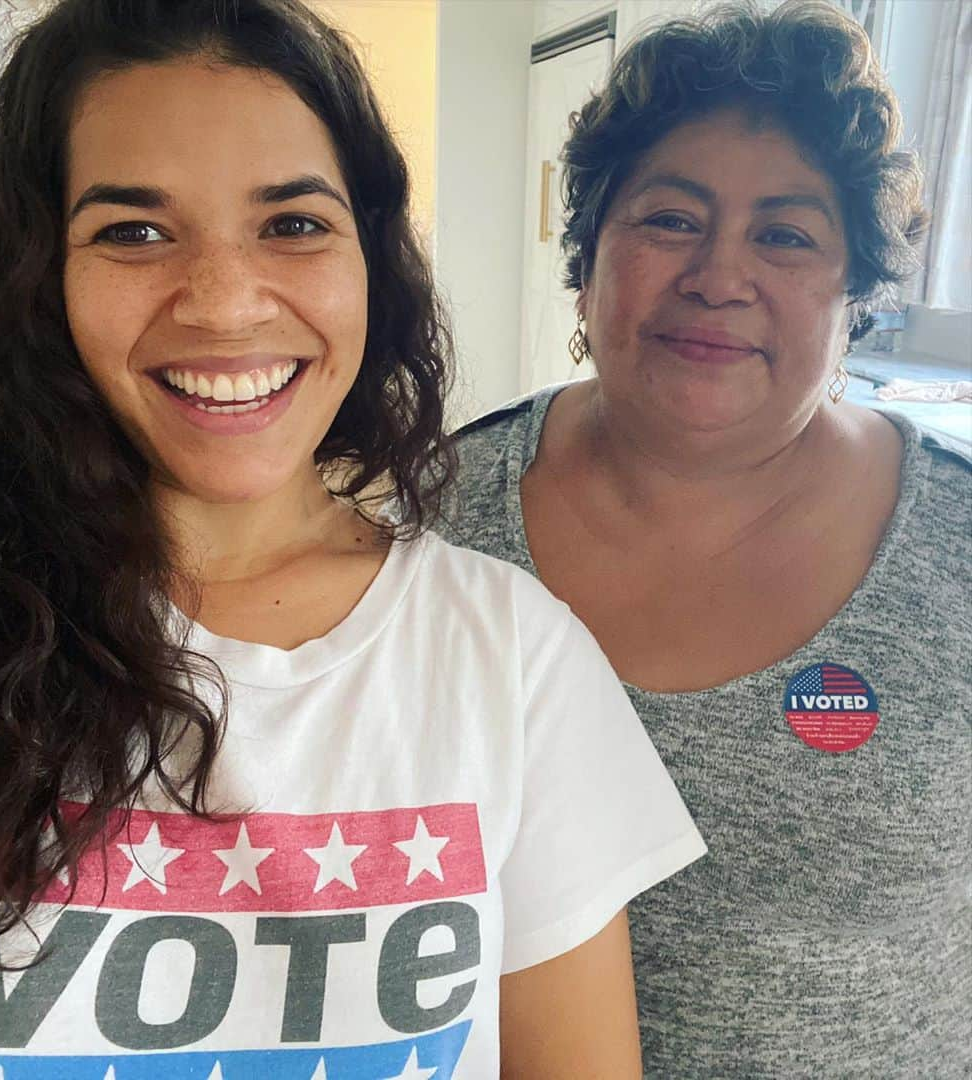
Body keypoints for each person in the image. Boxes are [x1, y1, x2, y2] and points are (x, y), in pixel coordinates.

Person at [0, 1, 707, 1077]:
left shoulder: (514, 658)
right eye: (133, 231)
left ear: (371, 256)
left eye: (293, 223)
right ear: (44, 272)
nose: (226, 305)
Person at [444, 1, 970, 1076]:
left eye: (785, 234)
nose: (718, 277)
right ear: (587, 260)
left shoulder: (957, 549)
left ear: (855, 293)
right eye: (670, 220)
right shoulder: (432, 521)